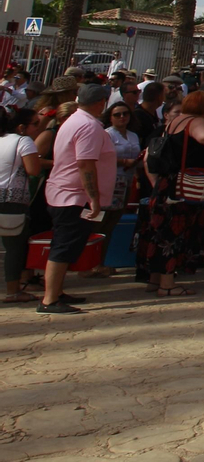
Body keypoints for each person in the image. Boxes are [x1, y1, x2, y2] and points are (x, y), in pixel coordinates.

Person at [137, 91, 204, 300]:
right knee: (174, 233)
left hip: (166, 182)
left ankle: (155, 279)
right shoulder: (196, 122)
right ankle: (168, 285)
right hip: (184, 185)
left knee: (159, 232)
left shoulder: (175, 121)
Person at [36, 83, 117, 314]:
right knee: (64, 246)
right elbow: (85, 162)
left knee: (66, 245)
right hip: (74, 196)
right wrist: (93, 197)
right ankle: (50, 299)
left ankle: (56, 292)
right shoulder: (88, 126)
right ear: (101, 103)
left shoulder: (75, 120)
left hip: (65, 193)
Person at [1, 107, 44, 303]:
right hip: (12, 200)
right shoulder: (23, 141)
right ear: (21, 126)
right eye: (36, 123)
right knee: (14, 248)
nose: (39, 127)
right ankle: (13, 291)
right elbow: (33, 169)